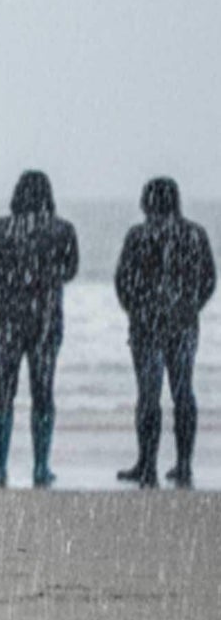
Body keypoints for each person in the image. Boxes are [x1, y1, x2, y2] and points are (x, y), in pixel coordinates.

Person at [0, 170, 79, 487]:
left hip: (5, 320)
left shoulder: (1, 227)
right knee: (43, 393)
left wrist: (9, 278)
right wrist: (43, 279)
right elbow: (70, 271)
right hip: (46, 320)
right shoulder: (63, 229)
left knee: (3, 393)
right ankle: (41, 467)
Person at [114, 177, 216, 488]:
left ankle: (147, 465)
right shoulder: (195, 234)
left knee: (148, 395)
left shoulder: (139, 235)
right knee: (183, 392)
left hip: (147, 325)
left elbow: (122, 281)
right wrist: (190, 307)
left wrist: (136, 309)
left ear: (147, 201)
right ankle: (183, 465)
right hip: (183, 324)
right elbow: (210, 279)